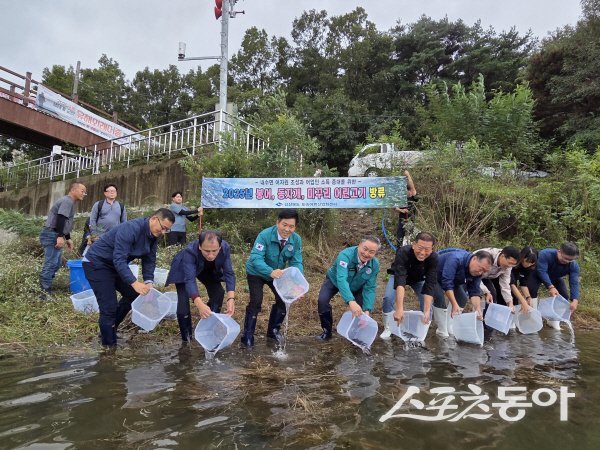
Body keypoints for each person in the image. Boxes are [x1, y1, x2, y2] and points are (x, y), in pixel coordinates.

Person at [82, 208, 175, 346]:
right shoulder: (131, 229)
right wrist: (134, 282)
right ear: (154, 219)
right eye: (163, 228)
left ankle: (109, 330)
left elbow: (149, 260)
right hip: (97, 263)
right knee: (109, 306)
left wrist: (149, 282)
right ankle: (109, 348)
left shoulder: (154, 235)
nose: (163, 232)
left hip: (115, 265)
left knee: (133, 295)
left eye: (167, 230)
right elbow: (119, 258)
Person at [241, 209, 303, 347]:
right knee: (256, 301)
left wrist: (298, 283)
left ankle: (273, 332)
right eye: (284, 225)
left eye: (291, 226)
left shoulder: (296, 240)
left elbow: (296, 262)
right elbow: (256, 258)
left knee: (283, 300)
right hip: (257, 272)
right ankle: (248, 335)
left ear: (295, 227)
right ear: (277, 222)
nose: (287, 229)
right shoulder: (265, 235)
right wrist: (270, 271)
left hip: (278, 274)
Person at [165, 230, 236, 342]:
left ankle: (208, 325)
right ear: (200, 247)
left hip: (207, 268)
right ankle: (186, 339)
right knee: (183, 301)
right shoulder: (190, 251)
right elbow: (189, 280)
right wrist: (199, 304)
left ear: (220, 247)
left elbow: (229, 273)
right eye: (207, 251)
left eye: (214, 251)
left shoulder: (225, 248)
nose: (211, 255)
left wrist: (231, 298)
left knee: (218, 293)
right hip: (184, 268)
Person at [316, 236, 381, 341]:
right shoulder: (345, 255)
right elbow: (341, 279)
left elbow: (370, 288)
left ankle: (354, 334)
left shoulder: (374, 265)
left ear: (375, 253)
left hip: (357, 286)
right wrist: (351, 301)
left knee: (360, 311)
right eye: (365, 249)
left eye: (371, 252)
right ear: (359, 245)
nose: (366, 254)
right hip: (335, 280)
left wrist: (367, 310)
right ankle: (327, 331)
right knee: (322, 301)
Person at [380, 232, 438, 339]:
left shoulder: (434, 258)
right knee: (388, 298)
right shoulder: (403, 252)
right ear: (413, 245)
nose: (422, 253)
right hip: (398, 276)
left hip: (418, 279)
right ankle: (388, 327)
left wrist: (426, 310)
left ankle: (422, 329)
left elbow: (430, 284)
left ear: (432, 249)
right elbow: (400, 280)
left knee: (427, 305)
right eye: (420, 248)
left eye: (427, 250)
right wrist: (399, 308)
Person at [39, 181, 87, 298]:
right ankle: (44, 294)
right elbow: (60, 218)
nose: (84, 194)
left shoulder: (69, 202)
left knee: (56, 264)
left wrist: (68, 238)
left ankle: (46, 288)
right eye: (82, 191)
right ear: (73, 190)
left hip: (54, 233)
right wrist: (60, 236)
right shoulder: (67, 201)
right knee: (51, 264)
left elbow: (64, 221)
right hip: (52, 234)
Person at [432, 249, 493, 336]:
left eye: (484, 271)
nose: (480, 272)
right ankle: (442, 330)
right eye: (480, 268)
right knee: (439, 297)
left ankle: (450, 326)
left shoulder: (478, 273)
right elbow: (447, 283)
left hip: (454, 281)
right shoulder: (456, 259)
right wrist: (454, 304)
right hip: (434, 275)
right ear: (474, 259)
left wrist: (478, 309)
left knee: (462, 298)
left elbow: (474, 291)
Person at [528, 242, 580, 329]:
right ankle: (532, 317)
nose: (567, 261)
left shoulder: (573, 265)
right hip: (537, 274)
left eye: (570, 260)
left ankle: (553, 320)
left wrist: (575, 300)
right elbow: (542, 271)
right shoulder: (546, 254)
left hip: (555, 277)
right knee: (531, 291)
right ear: (559, 251)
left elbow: (574, 282)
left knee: (564, 296)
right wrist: (551, 287)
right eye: (565, 258)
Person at [79, 183, 127, 254]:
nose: (112, 192)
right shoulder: (98, 204)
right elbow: (92, 220)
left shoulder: (121, 206)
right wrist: (94, 235)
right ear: (105, 193)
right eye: (110, 191)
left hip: (115, 237)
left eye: (114, 191)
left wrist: (123, 236)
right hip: (100, 237)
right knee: (98, 255)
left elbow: (124, 223)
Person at [510, 246, 538, 314]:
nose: (528, 264)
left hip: (512, 283)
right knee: (509, 298)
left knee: (515, 301)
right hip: (503, 282)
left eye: (532, 263)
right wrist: (523, 301)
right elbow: (511, 284)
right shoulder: (513, 264)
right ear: (522, 257)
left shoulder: (528, 267)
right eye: (527, 261)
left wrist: (528, 297)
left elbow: (523, 283)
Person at [395, 170, 417, 245]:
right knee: (399, 238)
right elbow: (395, 208)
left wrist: (408, 175)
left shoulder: (413, 195)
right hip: (402, 220)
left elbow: (412, 185)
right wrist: (402, 210)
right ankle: (399, 249)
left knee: (410, 238)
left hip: (411, 220)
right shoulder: (400, 197)